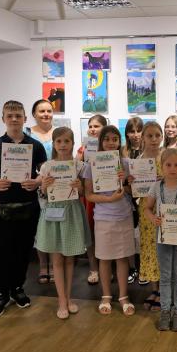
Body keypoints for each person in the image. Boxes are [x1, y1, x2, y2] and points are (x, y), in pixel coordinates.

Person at [0, 100, 47, 317]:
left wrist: (36, 182)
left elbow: (44, 173)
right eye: (10, 116)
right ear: (3, 119)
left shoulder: (36, 146)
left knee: (23, 249)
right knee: (0, 251)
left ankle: (18, 288)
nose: (14, 119)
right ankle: (1, 292)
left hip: (28, 207)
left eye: (18, 115)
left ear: (25, 118)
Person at [36, 127, 91, 319]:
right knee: (57, 259)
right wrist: (44, 186)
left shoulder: (79, 166)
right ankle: (61, 300)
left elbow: (85, 193)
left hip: (72, 213)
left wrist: (80, 187)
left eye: (67, 141)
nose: (63, 145)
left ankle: (69, 298)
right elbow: (42, 194)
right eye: (58, 141)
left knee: (69, 259)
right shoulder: (47, 166)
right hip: (53, 214)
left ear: (73, 143)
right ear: (53, 144)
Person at [84, 125, 135, 316]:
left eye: (115, 139)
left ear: (120, 142)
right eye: (107, 139)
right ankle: (106, 296)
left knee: (122, 258)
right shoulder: (91, 164)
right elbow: (89, 194)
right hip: (103, 217)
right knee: (104, 258)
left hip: (124, 215)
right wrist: (109, 199)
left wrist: (126, 181)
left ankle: (123, 296)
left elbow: (134, 191)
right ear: (101, 141)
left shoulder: (126, 163)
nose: (111, 142)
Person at [144, 148, 177, 331]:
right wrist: (153, 218)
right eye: (168, 165)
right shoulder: (155, 187)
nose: (172, 168)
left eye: (176, 165)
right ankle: (165, 311)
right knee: (165, 275)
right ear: (162, 166)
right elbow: (147, 208)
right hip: (163, 236)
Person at [135, 122, 164, 309]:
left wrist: (167, 178)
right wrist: (132, 181)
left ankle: (164, 290)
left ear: (162, 137)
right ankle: (154, 289)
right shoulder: (138, 161)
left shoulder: (166, 156)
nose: (154, 139)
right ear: (143, 138)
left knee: (163, 248)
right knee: (149, 248)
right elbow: (135, 191)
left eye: (157, 135)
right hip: (146, 209)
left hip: (164, 209)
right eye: (150, 136)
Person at [76, 114, 107, 286]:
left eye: (97, 126)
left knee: (105, 233)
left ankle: (106, 268)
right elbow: (75, 171)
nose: (93, 129)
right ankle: (94, 268)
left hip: (107, 195)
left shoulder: (110, 147)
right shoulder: (82, 149)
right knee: (90, 233)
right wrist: (81, 159)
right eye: (90, 126)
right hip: (88, 196)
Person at [29, 99, 55, 284]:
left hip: (56, 186)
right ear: (34, 114)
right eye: (41, 111)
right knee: (40, 227)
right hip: (34, 187)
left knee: (53, 225)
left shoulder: (59, 132)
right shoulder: (27, 134)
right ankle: (43, 266)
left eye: (49, 111)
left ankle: (54, 265)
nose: (46, 114)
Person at [121, 117, 144, 285]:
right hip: (127, 197)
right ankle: (132, 268)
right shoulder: (123, 151)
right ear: (127, 133)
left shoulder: (148, 150)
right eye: (131, 131)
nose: (135, 135)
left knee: (143, 235)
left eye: (138, 131)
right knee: (129, 235)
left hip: (144, 198)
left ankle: (144, 268)